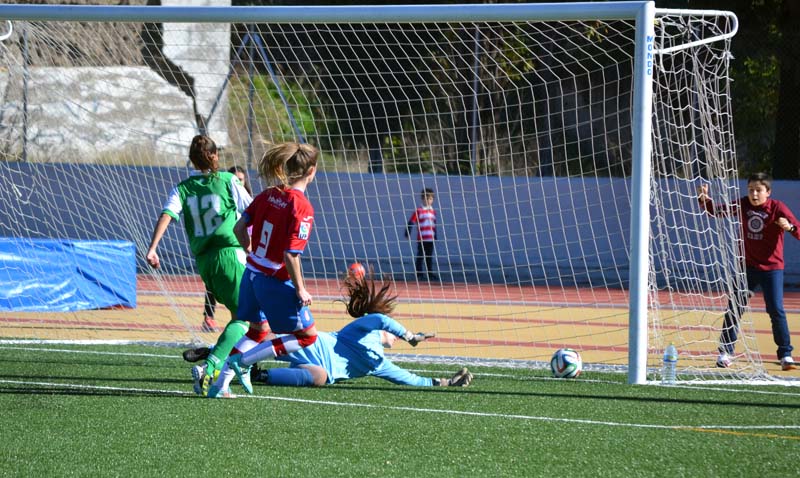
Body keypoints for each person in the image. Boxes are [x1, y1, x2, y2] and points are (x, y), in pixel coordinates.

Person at [207, 142, 321, 398]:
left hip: (251, 274)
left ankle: (219, 385)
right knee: (306, 337)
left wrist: (250, 252)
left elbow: (238, 229)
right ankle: (243, 362)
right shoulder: (302, 207)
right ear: (311, 171)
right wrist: (301, 289)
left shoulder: (268, 194)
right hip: (274, 280)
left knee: (258, 330)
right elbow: (290, 255)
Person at [145, 135, 253, 394]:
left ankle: (224, 377)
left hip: (204, 263)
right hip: (230, 255)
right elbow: (253, 211)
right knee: (246, 319)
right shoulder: (228, 181)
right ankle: (213, 366)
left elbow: (167, 215)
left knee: (240, 318)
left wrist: (153, 248)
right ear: (215, 156)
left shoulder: (182, 188)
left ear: (192, 160)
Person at [250, 274, 473, 388]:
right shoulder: (364, 329)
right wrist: (410, 336)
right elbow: (380, 319)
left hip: (314, 367)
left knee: (320, 378)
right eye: (393, 331)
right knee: (263, 339)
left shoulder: (378, 363)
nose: (394, 335)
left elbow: (409, 379)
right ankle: (222, 354)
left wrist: (445, 383)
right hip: (309, 343)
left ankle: (258, 375)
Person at [698, 172, 800, 370]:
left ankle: (785, 354)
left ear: (768, 192)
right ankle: (725, 352)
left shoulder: (777, 208)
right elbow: (718, 211)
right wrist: (703, 199)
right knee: (734, 308)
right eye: (751, 189)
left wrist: (790, 228)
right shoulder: (743, 204)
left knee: (776, 310)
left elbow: (798, 229)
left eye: (758, 190)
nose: (754, 194)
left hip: (772, 268)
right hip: (747, 268)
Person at [200, 165, 253, 333]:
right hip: (226, 253)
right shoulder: (220, 204)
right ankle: (209, 316)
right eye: (234, 179)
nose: (238, 182)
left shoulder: (250, 203)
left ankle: (249, 326)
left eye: (241, 179)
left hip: (246, 252)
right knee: (213, 284)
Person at [405, 187, 438, 281]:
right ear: (423, 199)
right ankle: (419, 273)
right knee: (420, 255)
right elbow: (411, 221)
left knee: (429, 257)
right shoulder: (419, 211)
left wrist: (435, 234)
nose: (428, 200)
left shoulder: (433, 211)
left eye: (431, 199)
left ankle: (430, 273)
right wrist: (407, 232)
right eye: (426, 198)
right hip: (422, 238)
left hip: (430, 238)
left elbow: (433, 224)